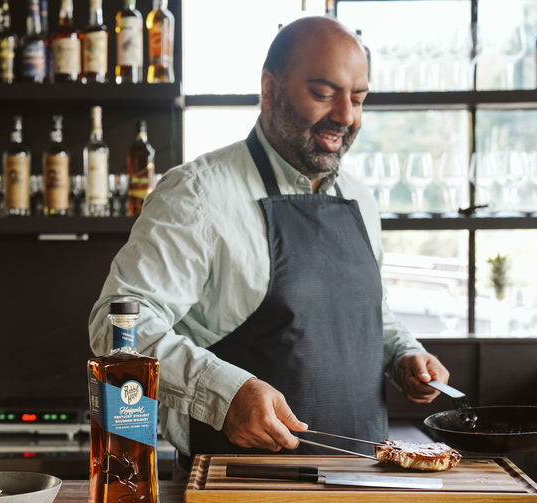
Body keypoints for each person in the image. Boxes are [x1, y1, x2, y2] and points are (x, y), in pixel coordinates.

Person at [89, 16, 449, 467]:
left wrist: (403, 354)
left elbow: (368, 312)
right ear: (270, 88)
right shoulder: (198, 193)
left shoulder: (359, 196)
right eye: (323, 93)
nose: (346, 115)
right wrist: (224, 393)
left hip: (362, 486)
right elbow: (117, 323)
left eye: (358, 98)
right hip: (236, 493)